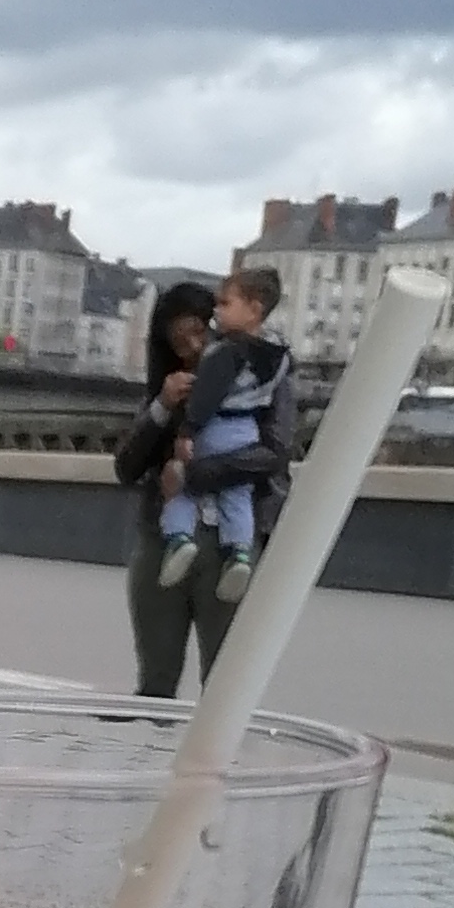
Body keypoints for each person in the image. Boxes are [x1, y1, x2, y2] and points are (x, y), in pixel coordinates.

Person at [115, 279, 282, 695]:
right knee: (155, 677)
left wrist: (192, 475)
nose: (191, 346)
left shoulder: (259, 375)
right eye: (178, 341)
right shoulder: (170, 386)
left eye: (198, 331)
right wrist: (162, 407)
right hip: (163, 539)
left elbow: (273, 455)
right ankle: (151, 733)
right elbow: (127, 467)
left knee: (225, 683)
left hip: (230, 543)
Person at [162, 266, 295, 600]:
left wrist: (187, 431)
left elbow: (206, 398)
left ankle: (179, 539)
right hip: (246, 430)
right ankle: (238, 554)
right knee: (237, 496)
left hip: (217, 426)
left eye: (225, 303)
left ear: (254, 309)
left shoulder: (227, 351)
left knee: (185, 487)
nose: (216, 311)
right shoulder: (279, 355)